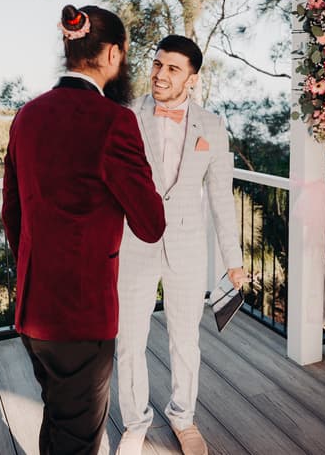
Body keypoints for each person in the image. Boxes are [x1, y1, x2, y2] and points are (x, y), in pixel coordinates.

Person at [1, 4, 165, 455]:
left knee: (57, 419)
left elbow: (11, 212)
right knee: (79, 439)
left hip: (34, 311)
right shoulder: (114, 121)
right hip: (82, 315)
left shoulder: (27, 116)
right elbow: (151, 224)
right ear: (113, 54)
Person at [115, 35, 247, 455]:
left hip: (188, 247)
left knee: (185, 339)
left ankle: (182, 418)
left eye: (173, 68)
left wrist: (233, 259)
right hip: (133, 242)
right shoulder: (125, 115)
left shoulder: (212, 125)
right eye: (157, 64)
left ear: (192, 77)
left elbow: (222, 197)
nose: (160, 75)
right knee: (129, 340)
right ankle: (135, 424)